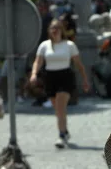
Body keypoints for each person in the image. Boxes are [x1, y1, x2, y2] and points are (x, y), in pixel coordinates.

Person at [30, 20, 90, 148]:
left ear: (61, 30)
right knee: (58, 110)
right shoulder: (44, 45)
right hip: (50, 77)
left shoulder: (69, 45)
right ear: (49, 31)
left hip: (65, 77)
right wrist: (34, 74)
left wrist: (85, 80)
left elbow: (79, 64)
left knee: (60, 107)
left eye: (57, 28)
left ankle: (61, 135)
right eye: (52, 28)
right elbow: (38, 62)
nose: (54, 30)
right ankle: (65, 130)